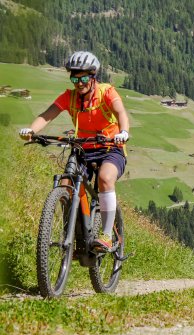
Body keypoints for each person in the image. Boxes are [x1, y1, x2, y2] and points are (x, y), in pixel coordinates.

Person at [19, 51, 130, 252]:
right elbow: (47, 115)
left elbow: (121, 112)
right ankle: (72, 234)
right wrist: (32, 131)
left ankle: (106, 236)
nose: (79, 83)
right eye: (74, 78)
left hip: (110, 148)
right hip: (83, 149)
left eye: (84, 78)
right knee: (65, 182)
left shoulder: (106, 92)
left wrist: (123, 132)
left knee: (105, 179)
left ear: (93, 76)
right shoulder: (69, 97)